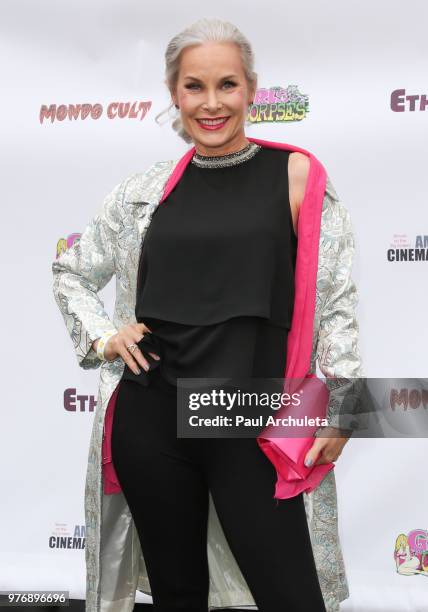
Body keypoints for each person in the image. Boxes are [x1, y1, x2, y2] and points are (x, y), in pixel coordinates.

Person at [52, 17, 364, 612]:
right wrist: (104, 334)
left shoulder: (298, 177)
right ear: (174, 94)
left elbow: (337, 301)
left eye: (227, 84)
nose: (212, 103)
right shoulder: (141, 193)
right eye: (195, 86)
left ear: (251, 89)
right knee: (178, 593)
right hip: (152, 413)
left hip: (250, 415)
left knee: (292, 594)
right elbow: (70, 270)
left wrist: (345, 408)